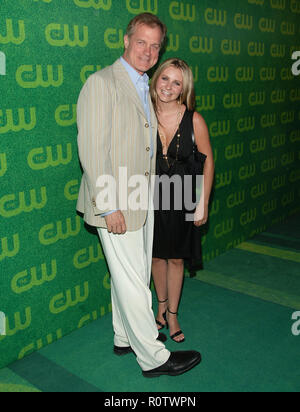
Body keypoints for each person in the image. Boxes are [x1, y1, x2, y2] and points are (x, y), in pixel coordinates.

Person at [76, 14, 201, 377]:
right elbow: (92, 150)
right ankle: (154, 356)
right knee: (133, 279)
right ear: (126, 40)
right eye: (141, 42)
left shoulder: (142, 84)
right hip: (116, 201)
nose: (148, 51)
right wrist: (109, 205)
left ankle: (123, 336)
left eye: (155, 45)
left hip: (142, 199)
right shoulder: (102, 83)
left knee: (127, 274)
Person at [150, 58, 214, 343]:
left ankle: (173, 314)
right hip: (148, 195)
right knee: (154, 256)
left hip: (182, 197)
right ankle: (160, 306)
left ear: (184, 88)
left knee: (175, 258)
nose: (169, 87)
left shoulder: (194, 120)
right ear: (156, 79)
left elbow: (207, 161)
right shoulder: (143, 112)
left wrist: (202, 202)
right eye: (165, 78)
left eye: (177, 82)